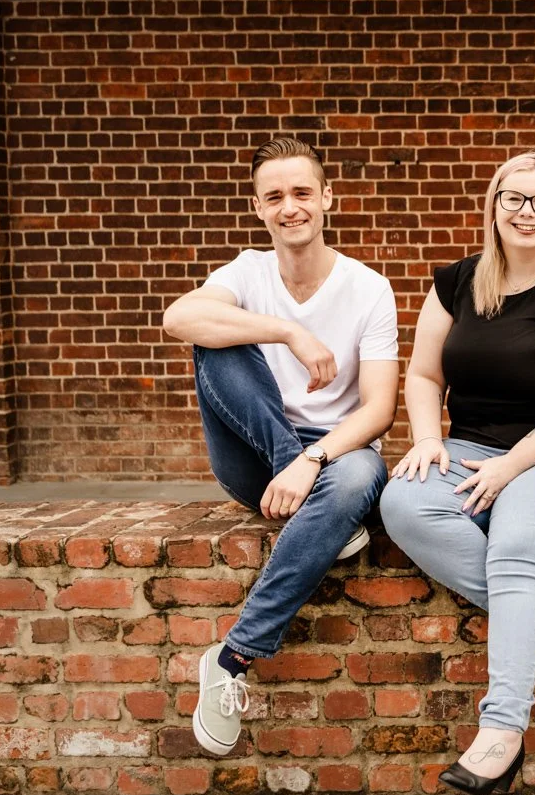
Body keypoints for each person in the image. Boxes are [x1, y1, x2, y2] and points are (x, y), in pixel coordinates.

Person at [379, 151, 535, 795]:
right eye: (512, 198)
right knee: (401, 504)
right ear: (493, 207)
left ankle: (502, 734)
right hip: (467, 445)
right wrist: (428, 438)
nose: (526, 211)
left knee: (515, 549)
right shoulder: (457, 282)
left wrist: (511, 467)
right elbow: (425, 375)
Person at [161, 137, 400, 757]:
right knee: (216, 338)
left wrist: (312, 460)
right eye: (275, 197)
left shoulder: (368, 288)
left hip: (337, 452)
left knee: (351, 482)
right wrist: (287, 331)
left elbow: (378, 410)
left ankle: (232, 656)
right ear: (259, 208)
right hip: (255, 452)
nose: (290, 207)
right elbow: (177, 318)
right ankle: (319, 508)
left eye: (301, 192)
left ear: (327, 197)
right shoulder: (246, 271)